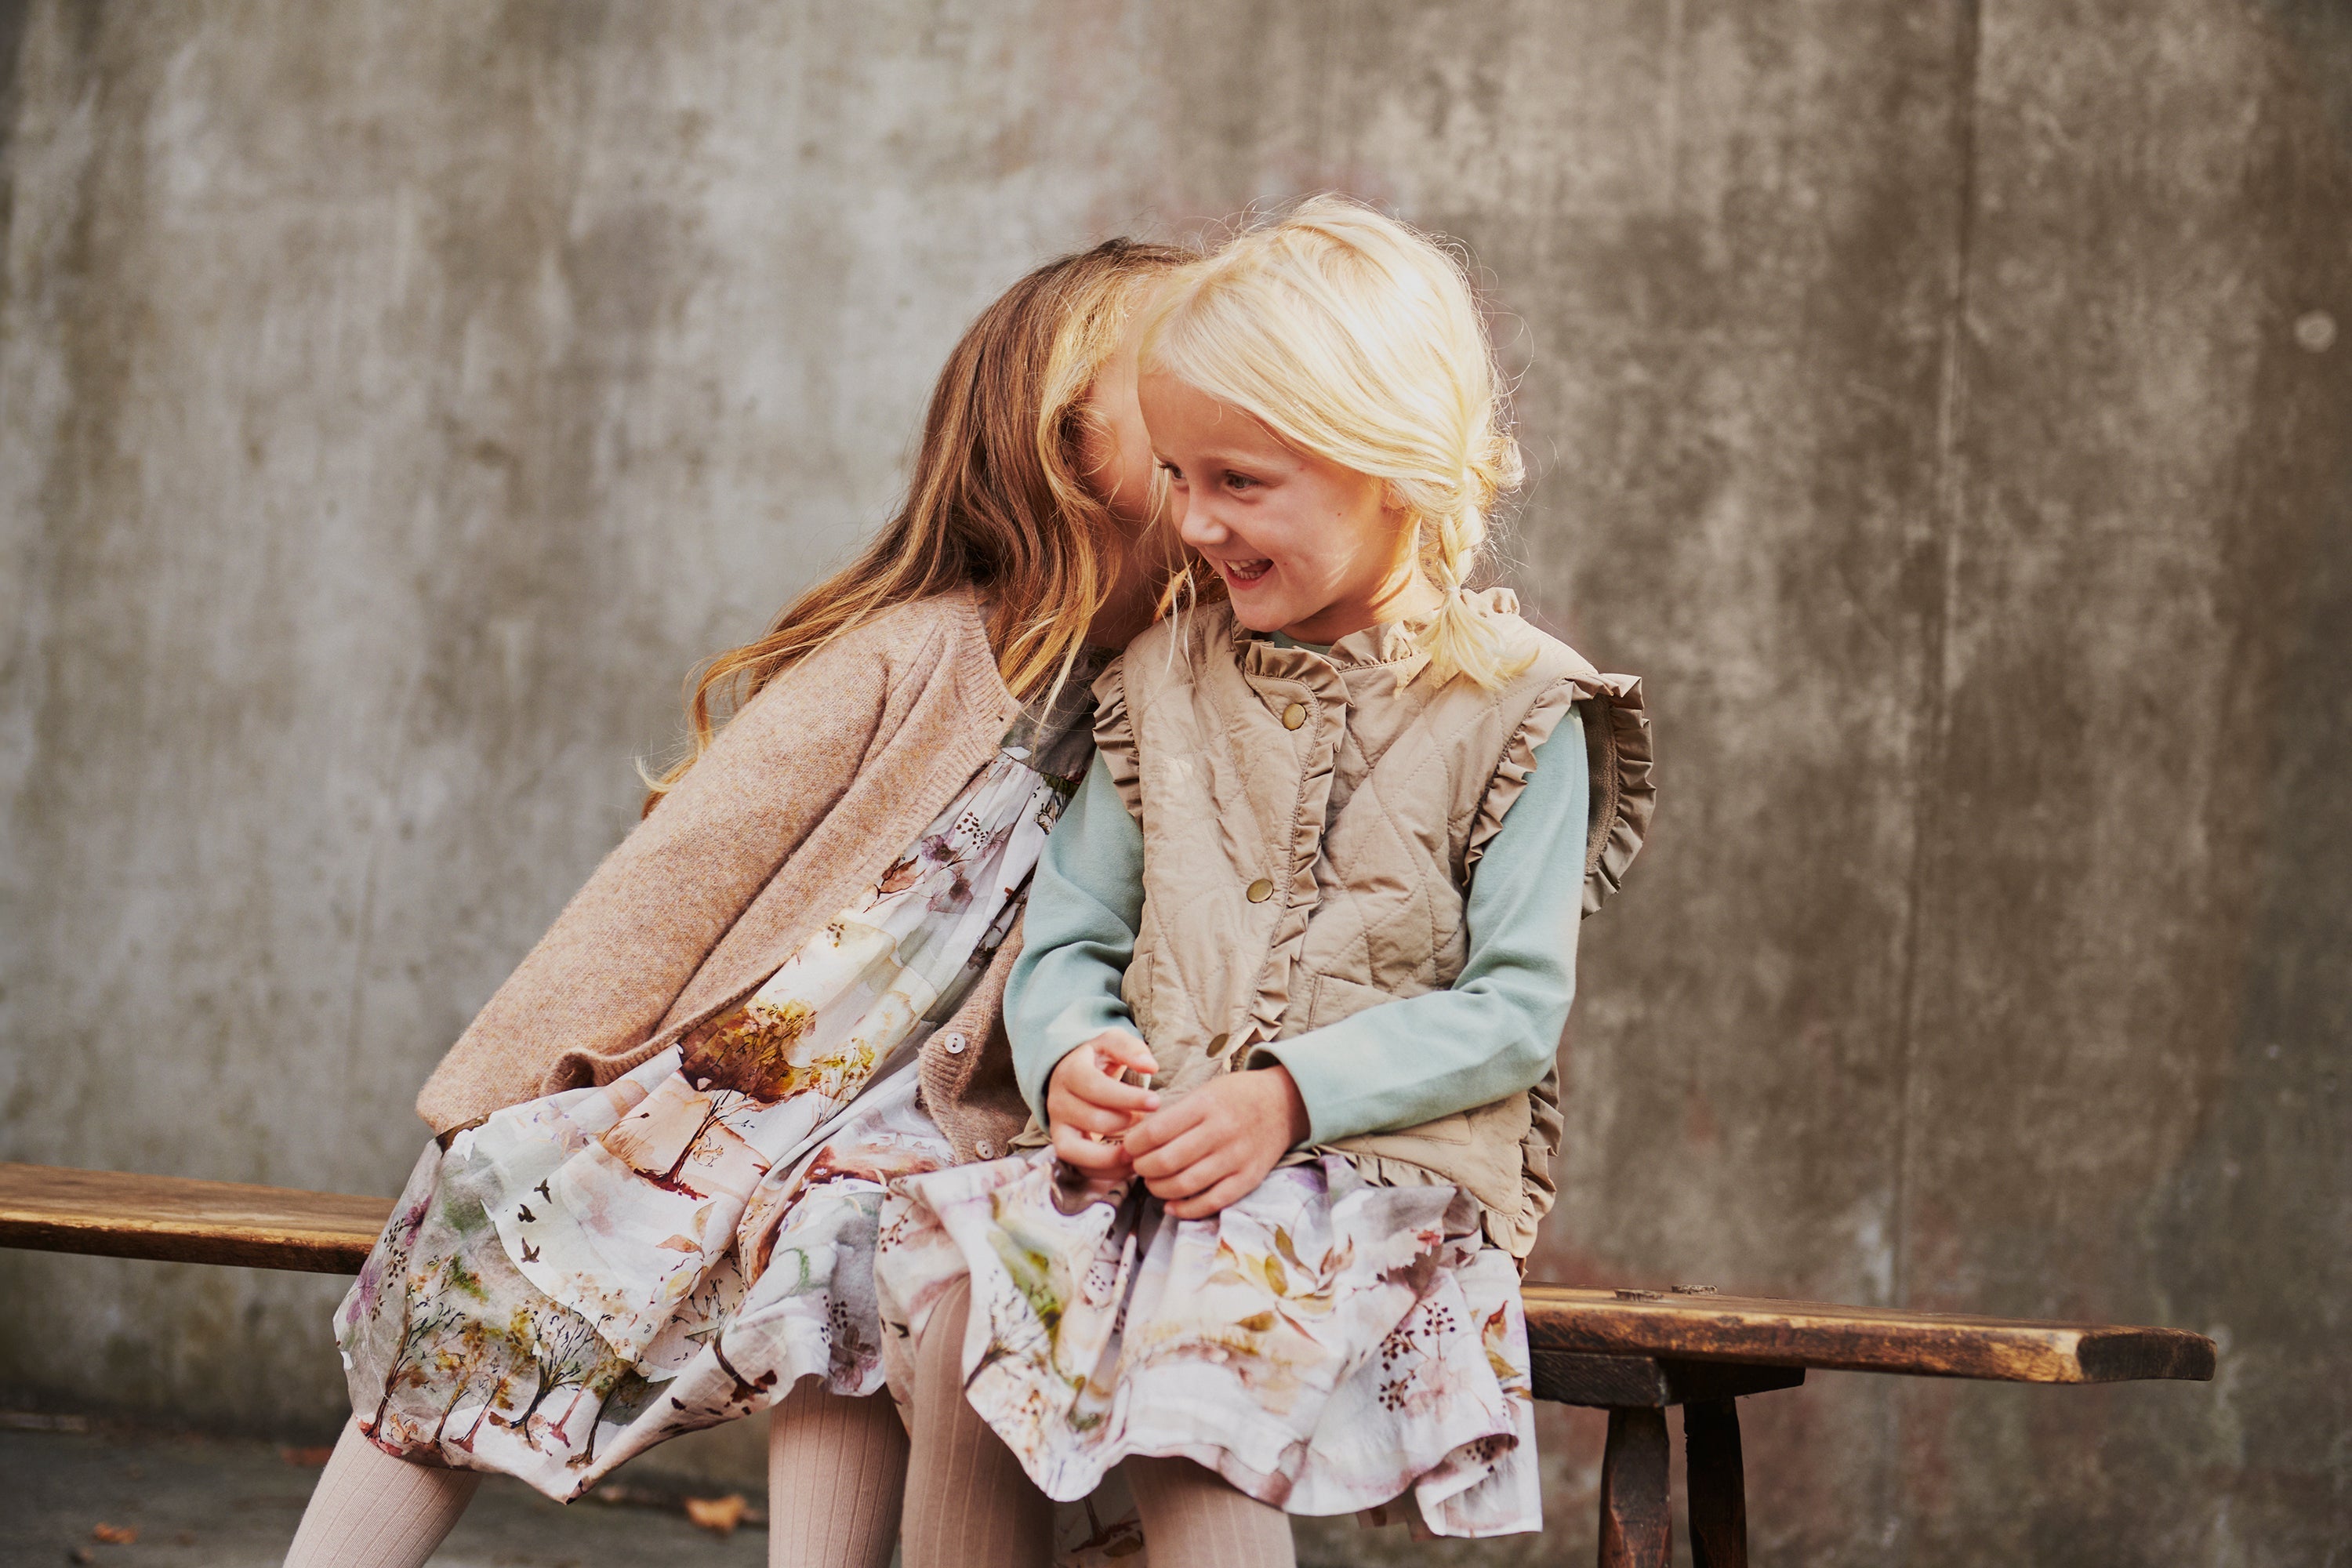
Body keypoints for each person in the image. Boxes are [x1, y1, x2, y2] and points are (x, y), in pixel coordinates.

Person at [283, 235, 1191, 1568]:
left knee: (861, 1263)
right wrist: (516, 1080)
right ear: (1064, 442)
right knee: (484, 1271)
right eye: (1189, 375)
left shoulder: (1189, 699)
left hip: (926, 1131)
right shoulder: (911, 653)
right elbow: (684, 870)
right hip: (736, 1077)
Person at [873, 196, 1656, 1568]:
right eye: (1177, 476)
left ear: (1388, 467)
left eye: (1237, 482)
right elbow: (1070, 937)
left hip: (1373, 1173)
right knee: (957, 1324)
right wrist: (1078, 1055)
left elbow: (1513, 1011)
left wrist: (1289, 1096)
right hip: (1167, 1167)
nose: (1189, 522)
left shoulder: (1527, 711)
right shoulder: (1158, 685)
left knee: (1195, 1381)